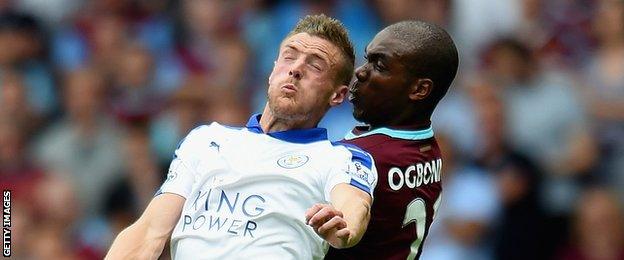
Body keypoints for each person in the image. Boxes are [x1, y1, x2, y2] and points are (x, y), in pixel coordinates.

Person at [105, 14, 378, 259]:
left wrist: (345, 228)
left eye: (315, 66)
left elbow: (355, 206)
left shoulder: (339, 157)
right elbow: (150, 229)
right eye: (289, 56)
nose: (296, 68)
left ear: (338, 95)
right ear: (272, 70)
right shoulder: (205, 139)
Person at [325, 20, 459, 260]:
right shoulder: (427, 146)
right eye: (368, 58)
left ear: (419, 90)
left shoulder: (361, 157)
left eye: (380, 65)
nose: (361, 71)